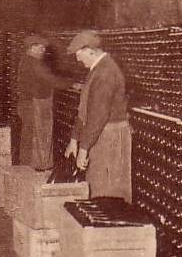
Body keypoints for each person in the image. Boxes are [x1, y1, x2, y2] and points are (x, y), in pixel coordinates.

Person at [64, 29, 132, 202]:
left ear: (90, 51)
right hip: (100, 133)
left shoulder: (105, 73)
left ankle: (111, 227)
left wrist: (84, 148)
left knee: (108, 188)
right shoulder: (97, 70)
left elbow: (98, 116)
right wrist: (74, 140)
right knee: (97, 182)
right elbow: (85, 108)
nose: (77, 59)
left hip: (110, 135)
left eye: (79, 54)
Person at [15, 35, 78, 171]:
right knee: (40, 136)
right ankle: (39, 167)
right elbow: (51, 79)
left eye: (44, 47)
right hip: (36, 103)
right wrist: (72, 84)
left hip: (27, 103)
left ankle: (26, 166)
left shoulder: (25, 60)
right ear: (31, 48)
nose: (43, 50)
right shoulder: (34, 63)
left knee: (30, 135)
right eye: (40, 47)